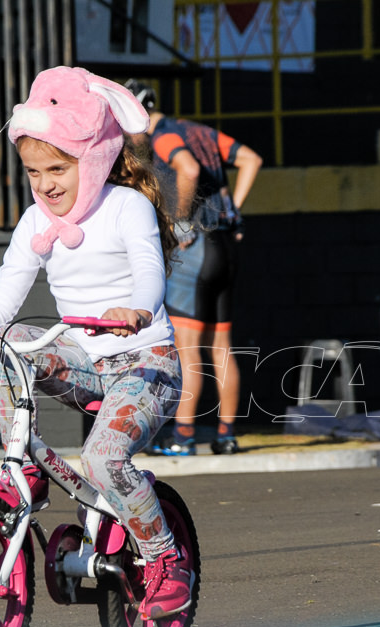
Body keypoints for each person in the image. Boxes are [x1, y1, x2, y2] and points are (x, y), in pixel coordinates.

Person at [0, 66, 191, 620]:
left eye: (58, 168)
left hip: (145, 363)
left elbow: (149, 273)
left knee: (102, 458)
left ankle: (166, 559)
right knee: (7, 342)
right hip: (84, 361)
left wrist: (137, 309)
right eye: (33, 171)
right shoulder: (33, 221)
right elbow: (0, 302)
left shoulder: (126, 206)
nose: (45, 183)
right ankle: (28, 470)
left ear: (93, 160)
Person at [125, 79, 263, 456]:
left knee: (186, 349)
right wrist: (233, 207)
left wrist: (179, 219)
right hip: (224, 246)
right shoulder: (197, 129)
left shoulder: (164, 135)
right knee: (221, 345)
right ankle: (226, 436)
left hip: (196, 247)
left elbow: (186, 168)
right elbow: (251, 159)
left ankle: (183, 438)